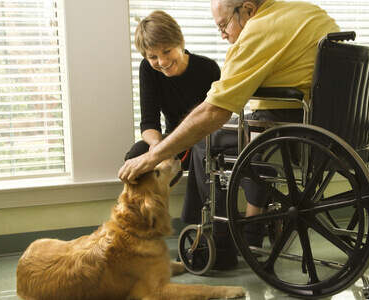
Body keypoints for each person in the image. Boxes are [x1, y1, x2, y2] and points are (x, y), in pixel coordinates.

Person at [119, 0, 340, 269]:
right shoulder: (310, 12)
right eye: (153, 57)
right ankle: (240, 228)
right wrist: (155, 151)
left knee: (206, 142)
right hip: (325, 130)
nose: (222, 34)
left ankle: (216, 239)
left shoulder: (256, 32)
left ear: (247, 10)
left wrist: (155, 157)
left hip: (285, 130)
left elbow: (213, 113)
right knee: (232, 139)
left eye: (224, 25)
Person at [124, 10, 221, 169]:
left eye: (167, 51)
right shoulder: (148, 70)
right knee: (136, 153)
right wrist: (156, 145)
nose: (162, 61)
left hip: (203, 142)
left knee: (203, 151)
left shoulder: (208, 69)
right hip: (170, 143)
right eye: (153, 57)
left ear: (180, 42)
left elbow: (211, 120)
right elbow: (149, 122)